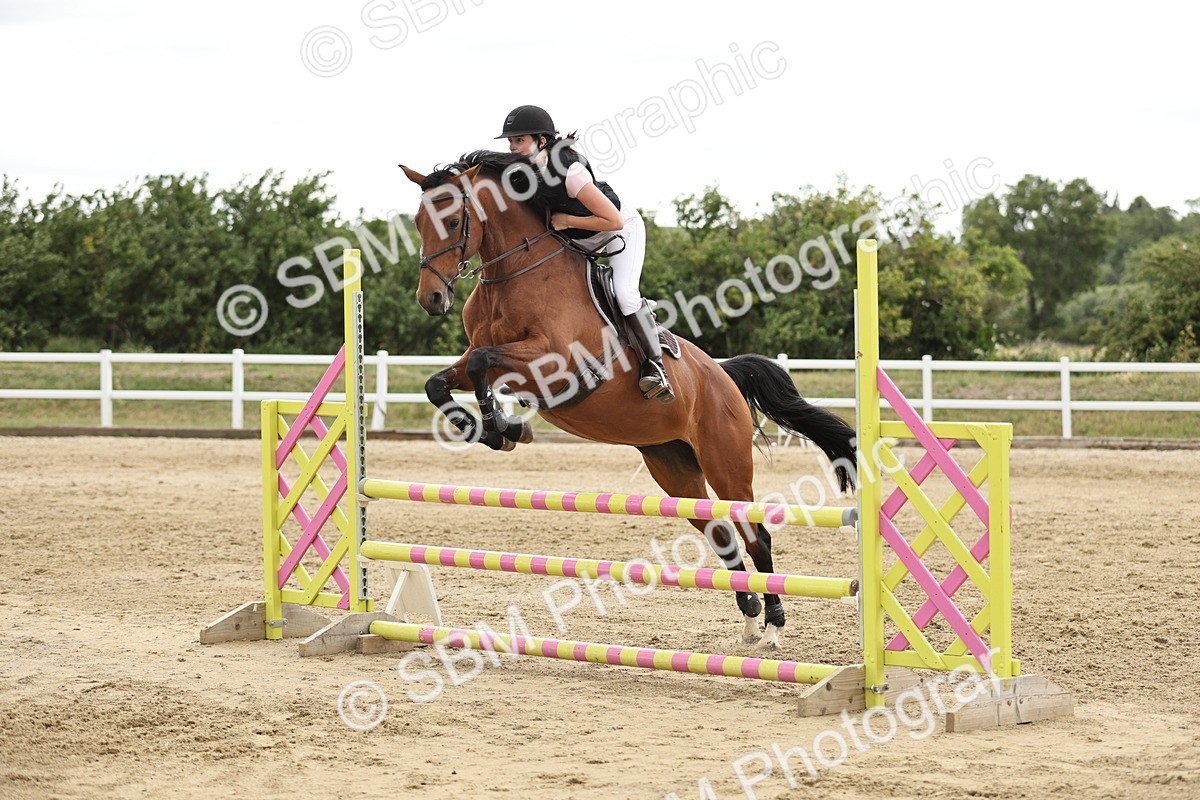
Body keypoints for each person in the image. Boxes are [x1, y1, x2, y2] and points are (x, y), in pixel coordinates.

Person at [496, 104, 673, 404]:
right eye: (510, 142)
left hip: (619, 231)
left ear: (541, 140)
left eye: (519, 140)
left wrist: (568, 221)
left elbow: (613, 221)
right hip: (580, 238)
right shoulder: (521, 174)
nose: (513, 147)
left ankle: (654, 365)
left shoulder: (570, 169)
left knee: (625, 293)